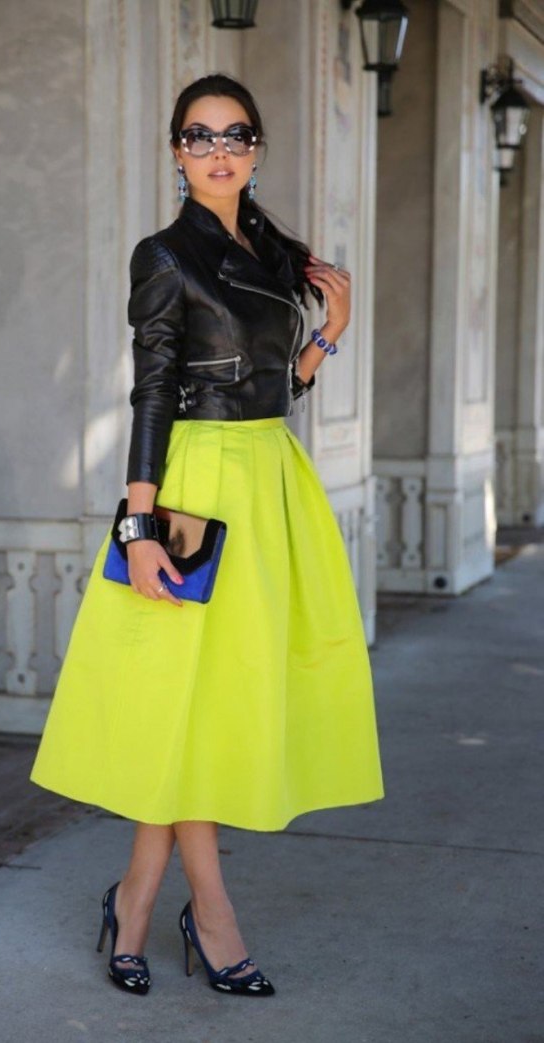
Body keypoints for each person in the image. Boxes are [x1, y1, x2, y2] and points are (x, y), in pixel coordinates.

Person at [30, 73, 384, 998]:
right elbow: (153, 391)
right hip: (195, 489)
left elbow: (272, 388)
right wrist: (140, 527)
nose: (217, 150)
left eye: (234, 135)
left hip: (269, 480)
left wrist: (329, 333)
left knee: (212, 704)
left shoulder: (273, 254)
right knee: (183, 703)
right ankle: (210, 917)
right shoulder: (164, 255)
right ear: (175, 152)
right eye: (198, 136)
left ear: (256, 149)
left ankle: (136, 900)